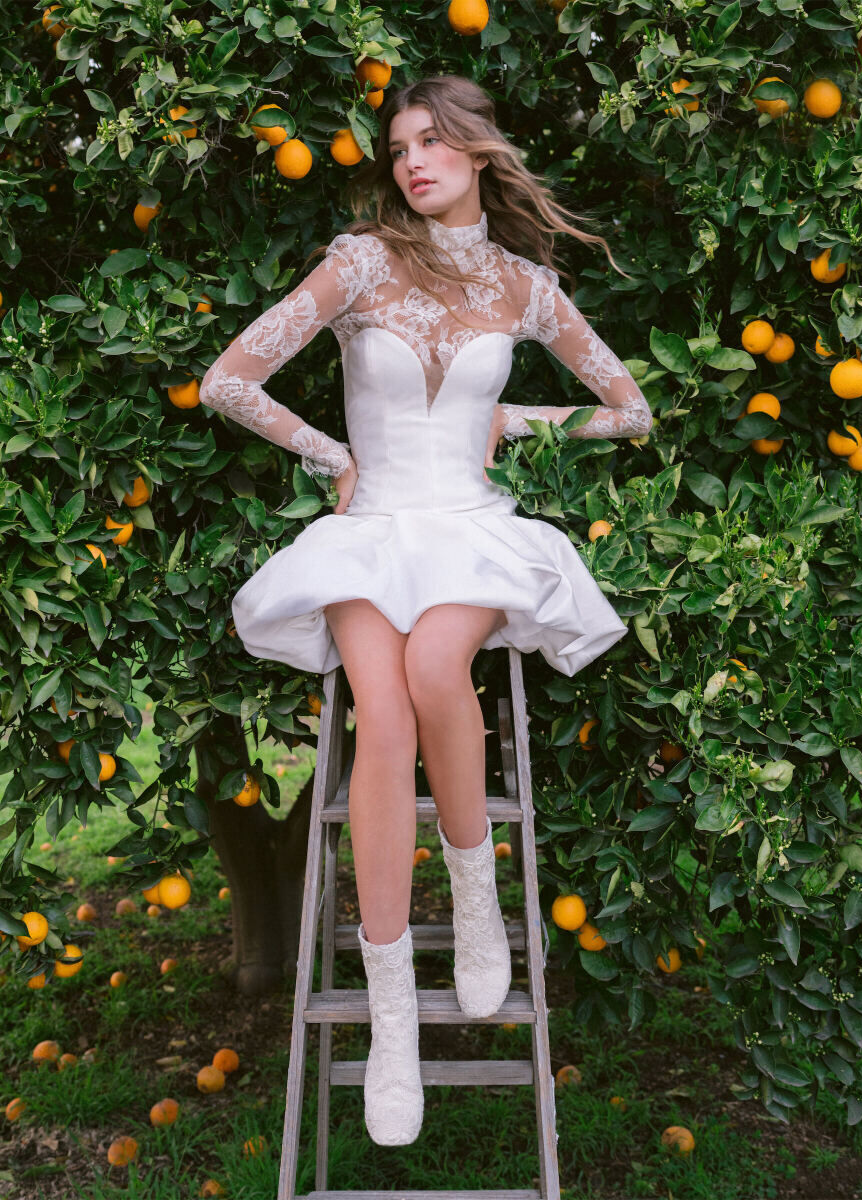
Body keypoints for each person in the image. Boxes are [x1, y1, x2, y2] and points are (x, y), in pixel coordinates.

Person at [198, 73, 652, 1147]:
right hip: (372, 533)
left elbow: (629, 412)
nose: (412, 162)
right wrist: (330, 453)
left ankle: (477, 897)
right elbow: (228, 379)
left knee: (440, 668)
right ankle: (394, 1013)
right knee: (382, 716)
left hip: (470, 529)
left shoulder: (526, 284)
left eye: (433, 143)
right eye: (399, 147)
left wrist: (522, 419)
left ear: (481, 152)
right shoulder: (360, 263)